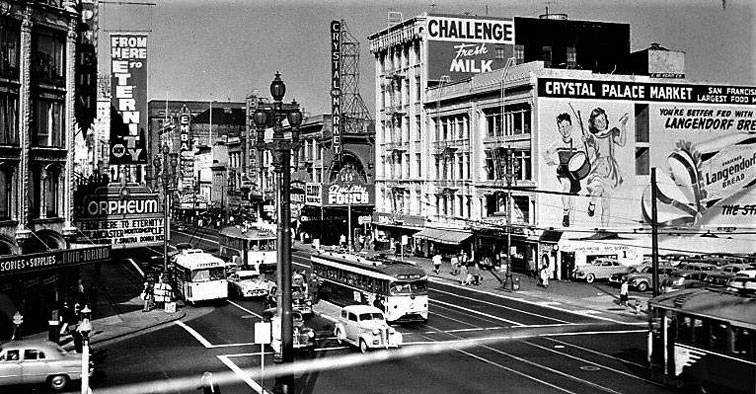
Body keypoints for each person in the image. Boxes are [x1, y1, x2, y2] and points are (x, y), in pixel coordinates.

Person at [584, 107, 628, 228]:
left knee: (606, 204)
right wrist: (586, 143)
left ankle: (604, 230)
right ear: (593, 124)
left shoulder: (612, 133)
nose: (602, 123)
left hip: (611, 169)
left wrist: (623, 125)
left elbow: (622, 142)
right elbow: (590, 155)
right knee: (597, 187)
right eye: (598, 121)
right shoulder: (593, 138)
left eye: (603, 119)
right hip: (598, 167)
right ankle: (592, 204)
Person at [543, 112, 584, 227]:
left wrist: (586, 143)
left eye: (567, 126)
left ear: (571, 126)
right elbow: (546, 153)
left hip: (574, 171)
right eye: (562, 127)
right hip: (564, 170)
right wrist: (550, 161)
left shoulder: (577, 142)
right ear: (559, 129)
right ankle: (565, 213)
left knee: (573, 198)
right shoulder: (558, 143)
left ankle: (571, 223)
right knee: (566, 186)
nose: (565, 130)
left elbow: (585, 154)